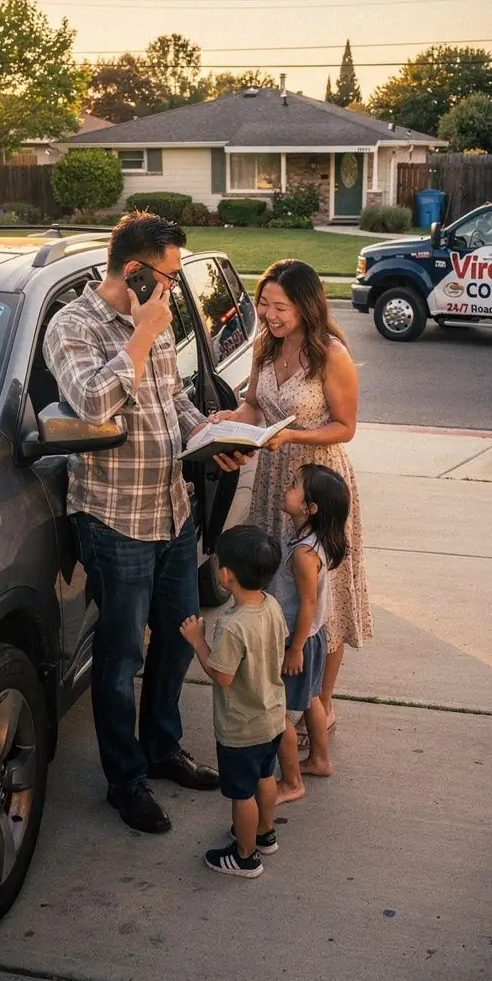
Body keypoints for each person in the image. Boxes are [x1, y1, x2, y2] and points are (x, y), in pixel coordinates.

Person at [43, 212, 243, 835]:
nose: (175, 289)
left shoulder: (152, 317)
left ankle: (162, 747)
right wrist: (139, 334)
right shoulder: (72, 326)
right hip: (115, 519)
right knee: (120, 653)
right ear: (135, 271)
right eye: (170, 276)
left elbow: (171, 398)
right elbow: (94, 404)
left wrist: (208, 432)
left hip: (173, 509)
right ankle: (124, 780)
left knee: (180, 634)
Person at [211, 259, 371, 741]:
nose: (270, 314)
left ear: (306, 305)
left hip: (317, 481)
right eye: (264, 304)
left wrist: (295, 435)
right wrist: (231, 420)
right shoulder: (265, 346)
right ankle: (288, 694)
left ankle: (321, 705)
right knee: (282, 588)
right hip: (275, 482)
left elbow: (346, 427)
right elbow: (256, 405)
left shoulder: (331, 354)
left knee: (324, 600)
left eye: (280, 306)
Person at [180, 525, 286, 879]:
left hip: (241, 728)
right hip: (271, 717)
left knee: (241, 794)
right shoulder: (271, 606)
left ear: (226, 575)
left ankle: (245, 856)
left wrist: (197, 640)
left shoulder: (232, 625)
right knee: (265, 778)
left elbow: (222, 675)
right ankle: (264, 833)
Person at [270, 463, 350, 804]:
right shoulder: (311, 540)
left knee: (277, 711)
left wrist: (295, 649)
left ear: (310, 508)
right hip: (313, 637)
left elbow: (305, 604)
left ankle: (290, 782)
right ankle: (320, 760)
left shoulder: (303, 554)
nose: (286, 488)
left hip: (297, 640)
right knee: (313, 698)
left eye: (293, 486)